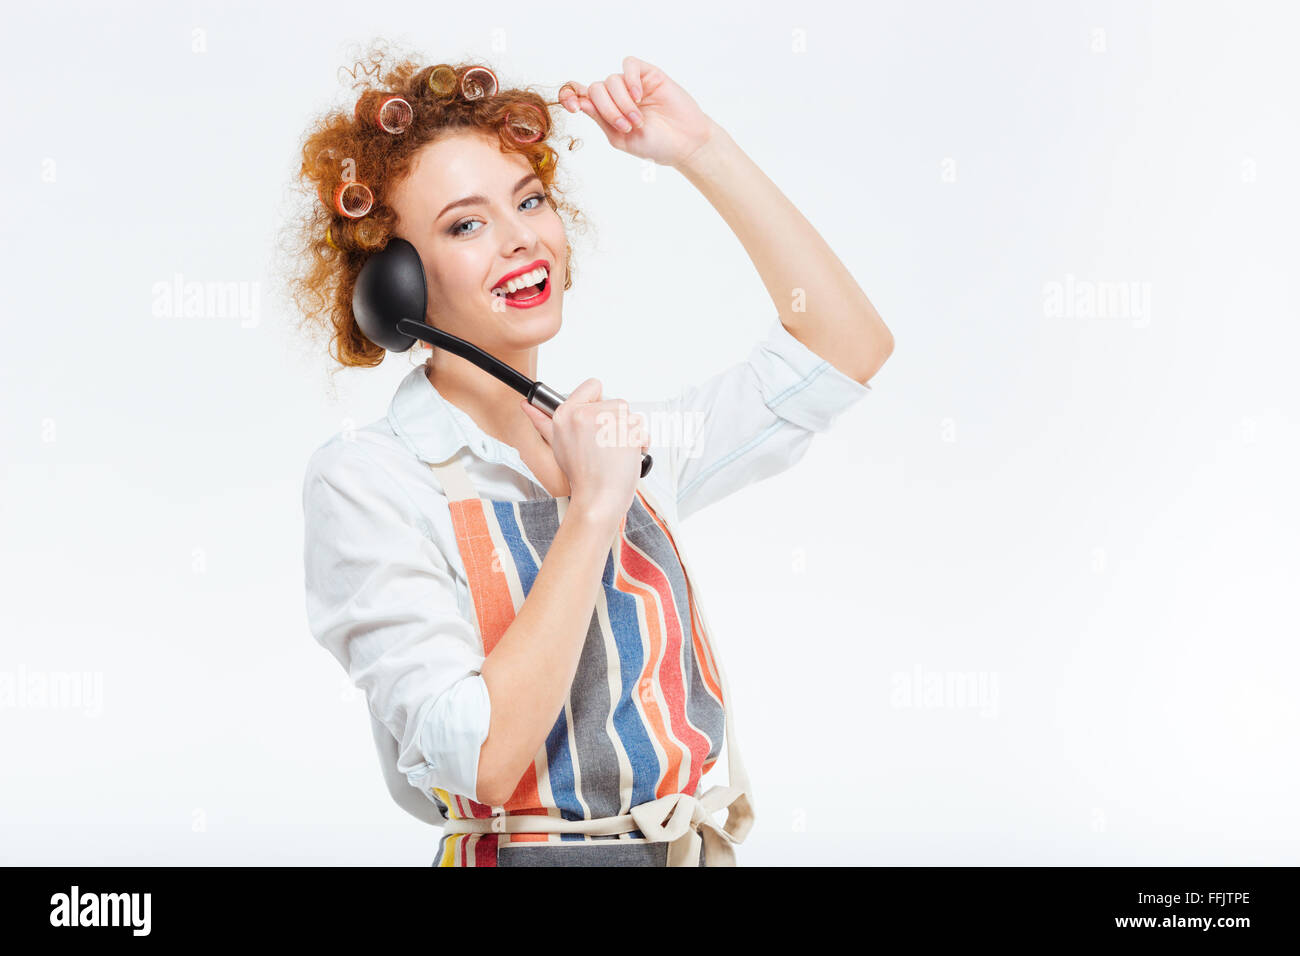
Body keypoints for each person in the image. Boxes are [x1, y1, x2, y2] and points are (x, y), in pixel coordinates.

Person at [291, 48, 893, 866]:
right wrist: (594, 510)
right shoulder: (370, 481)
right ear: (396, 287)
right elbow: (485, 759)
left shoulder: (618, 442)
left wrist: (698, 150)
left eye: (530, 201)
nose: (519, 239)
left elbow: (844, 347)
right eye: (467, 224)